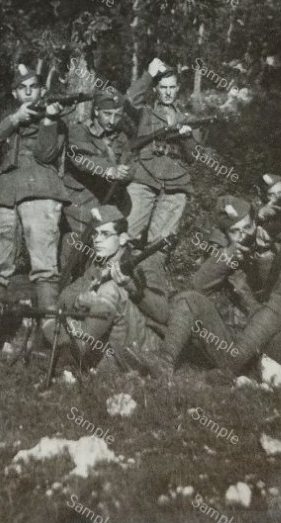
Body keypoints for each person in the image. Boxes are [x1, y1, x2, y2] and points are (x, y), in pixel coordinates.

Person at [0, 62, 68, 333]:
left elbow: (45, 155)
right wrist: (15, 119)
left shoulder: (53, 120)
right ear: (15, 94)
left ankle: (51, 340)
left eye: (34, 88)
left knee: (44, 266)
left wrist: (50, 120)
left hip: (40, 190)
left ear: (42, 91)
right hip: (5, 193)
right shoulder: (11, 119)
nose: (29, 93)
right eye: (22, 89)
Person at [184, 193, 281, 372]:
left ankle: (227, 372)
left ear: (255, 224)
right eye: (235, 232)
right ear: (224, 234)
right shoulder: (222, 255)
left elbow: (278, 299)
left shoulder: (274, 249)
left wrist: (264, 255)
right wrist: (228, 256)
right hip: (235, 346)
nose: (242, 235)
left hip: (273, 347)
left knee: (277, 303)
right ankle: (231, 371)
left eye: (246, 228)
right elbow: (196, 288)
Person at [52, 204, 170, 372]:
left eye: (105, 234)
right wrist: (80, 300)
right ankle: (75, 356)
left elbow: (163, 313)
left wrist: (129, 286)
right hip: (114, 337)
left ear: (122, 239)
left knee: (110, 290)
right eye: (95, 234)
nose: (97, 240)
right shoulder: (99, 265)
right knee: (66, 314)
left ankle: (72, 354)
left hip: (144, 341)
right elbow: (64, 297)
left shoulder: (144, 263)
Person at [60, 86, 133, 286]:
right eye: (107, 114)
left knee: (99, 257)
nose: (112, 121)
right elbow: (80, 158)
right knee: (72, 253)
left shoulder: (121, 137)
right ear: (96, 111)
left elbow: (130, 163)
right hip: (79, 206)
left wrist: (126, 173)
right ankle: (61, 299)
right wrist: (109, 171)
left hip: (107, 207)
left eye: (117, 115)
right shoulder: (79, 131)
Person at [125, 57, 202, 245]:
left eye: (171, 88)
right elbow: (130, 99)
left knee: (160, 243)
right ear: (155, 90)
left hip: (175, 184)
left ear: (177, 89)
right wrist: (148, 75)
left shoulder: (187, 119)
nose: (168, 92)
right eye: (163, 87)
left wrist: (187, 138)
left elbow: (196, 156)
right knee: (128, 235)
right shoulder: (145, 113)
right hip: (144, 178)